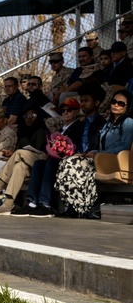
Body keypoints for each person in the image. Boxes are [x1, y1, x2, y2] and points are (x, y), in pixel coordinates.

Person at [56, 88, 132, 218]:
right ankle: (76, 205)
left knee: (72, 165)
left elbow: (125, 146)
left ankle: (80, 207)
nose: (115, 105)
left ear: (127, 106)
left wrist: (99, 154)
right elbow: (100, 146)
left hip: (114, 161)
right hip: (100, 158)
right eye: (114, 102)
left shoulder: (128, 122)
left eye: (121, 103)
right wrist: (90, 153)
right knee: (67, 162)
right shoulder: (108, 123)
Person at [0, 108, 48, 216]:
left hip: (41, 160)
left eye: (32, 116)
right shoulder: (24, 131)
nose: (28, 119)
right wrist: (11, 153)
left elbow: (40, 149)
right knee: (19, 167)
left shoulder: (41, 130)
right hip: (27, 162)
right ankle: (8, 204)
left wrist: (19, 153)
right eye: (26, 116)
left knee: (19, 153)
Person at [19, 98, 83, 217]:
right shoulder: (61, 128)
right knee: (39, 163)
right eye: (62, 110)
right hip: (58, 158)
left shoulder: (79, 126)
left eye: (69, 110)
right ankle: (32, 202)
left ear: (77, 111)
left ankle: (45, 204)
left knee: (50, 163)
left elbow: (75, 145)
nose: (65, 112)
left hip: (70, 160)